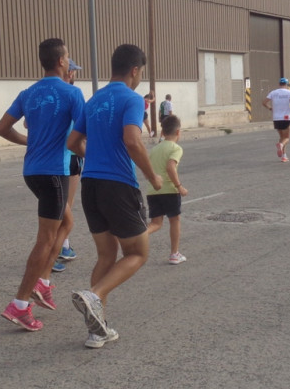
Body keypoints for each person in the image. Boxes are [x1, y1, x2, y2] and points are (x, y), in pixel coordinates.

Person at [67, 44, 162, 349]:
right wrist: (153, 176)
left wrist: (94, 156)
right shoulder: (132, 99)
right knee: (137, 253)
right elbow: (133, 140)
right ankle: (94, 296)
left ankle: (98, 330)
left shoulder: (94, 101)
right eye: (141, 72)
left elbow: (73, 142)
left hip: (91, 185)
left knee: (107, 256)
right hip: (118, 185)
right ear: (135, 70)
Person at [0, 38, 85, 331]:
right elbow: (79, 138)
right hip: (54, 173)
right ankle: (20, 303)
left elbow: (2, 128)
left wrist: (29, 141)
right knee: (46, 239)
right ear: (61, 61)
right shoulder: (72, 93)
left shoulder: (28, 93)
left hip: (32, 171)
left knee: (66, 222)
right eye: (68, 57)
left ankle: (43, 282)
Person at [53, 58, 84, 273]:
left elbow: (28, 123)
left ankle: (62, 246)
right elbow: (83, 124)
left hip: (58, 154)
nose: (74, 74)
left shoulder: (51, 93)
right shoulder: (72, 94)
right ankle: (54, 251)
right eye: (73, 71)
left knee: (63, 206)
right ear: (69, 72)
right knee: (63, 206)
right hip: (69, 154)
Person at [146, 114, 188, 265]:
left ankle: (139, 236)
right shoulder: (176, 148)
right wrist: (179, 186)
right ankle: (174, 254)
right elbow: (171, 167)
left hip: (153, 190)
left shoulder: (155, 149)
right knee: (175, 220)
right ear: (178, 132)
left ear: (162, 133)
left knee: (155, 224)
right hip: (169, 190)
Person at [262, 78, 290, 162]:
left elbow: (264, 102)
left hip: (276, 118)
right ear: (287, 84)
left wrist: (270, 108)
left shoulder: (273, 92)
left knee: (281, 137)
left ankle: (284, 156)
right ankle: (281, 145)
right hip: (286, 117)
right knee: (287, 138)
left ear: (279, 84)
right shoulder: (289, 92)